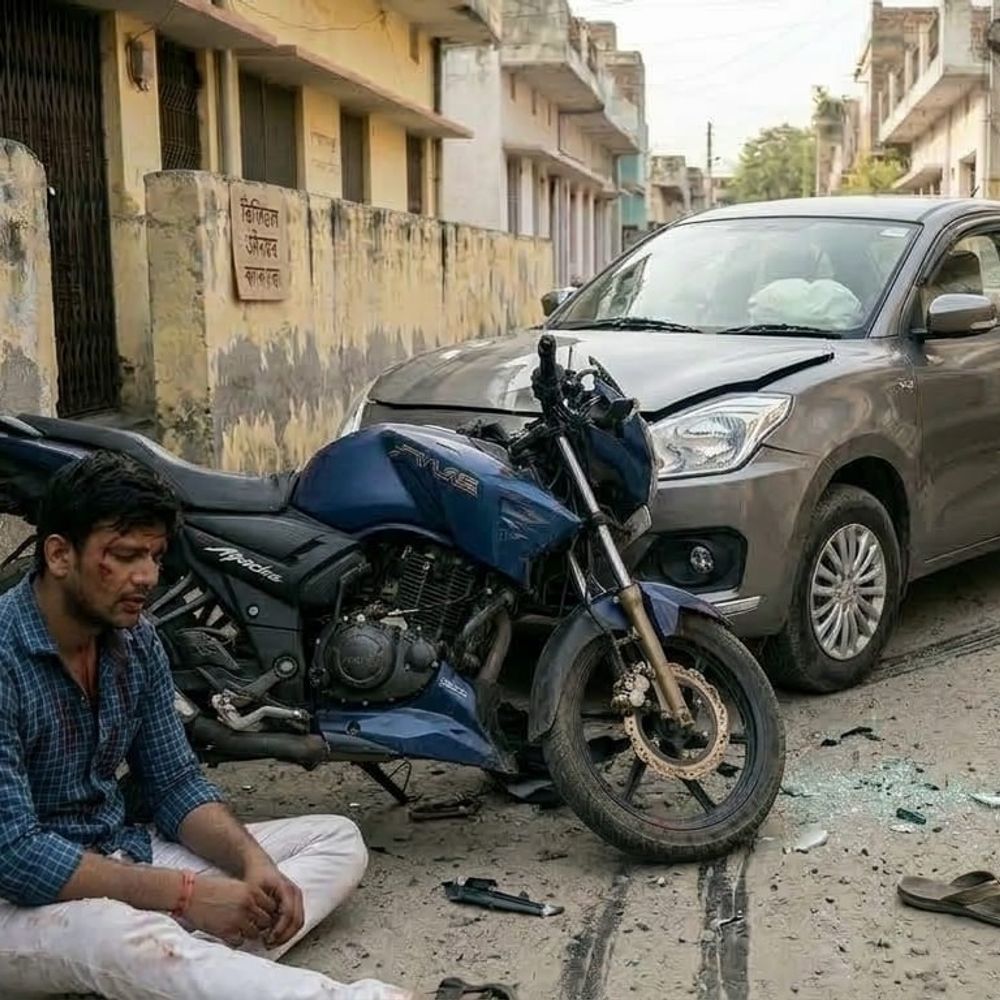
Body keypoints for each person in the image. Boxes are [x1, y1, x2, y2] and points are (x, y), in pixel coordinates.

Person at [0, 451, 410, 1000]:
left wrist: (252, 863)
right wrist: (185, 895)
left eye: (155, 556)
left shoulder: (135, 640)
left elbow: (174, 784)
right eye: (125, 556)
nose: (147, 577)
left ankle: (173, 972)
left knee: (336, 841)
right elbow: (16, 854)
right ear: (58, 555)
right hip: (17, 902)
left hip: (118, 854)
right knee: (116, 935)